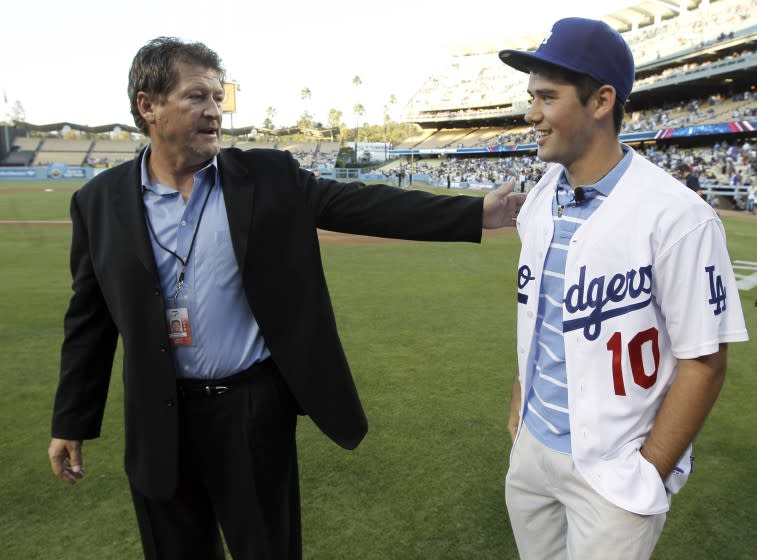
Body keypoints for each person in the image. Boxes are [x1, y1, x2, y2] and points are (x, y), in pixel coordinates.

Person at [47, 37, 524, 560]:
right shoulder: (97, 203)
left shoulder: (265, 177)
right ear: (149, 106)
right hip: (157, 422)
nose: (214, 111)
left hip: (251, 411)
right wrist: (71, 422)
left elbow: (359, 205)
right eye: (197, 97)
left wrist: (472, 215)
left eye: (217, 98)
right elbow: (89, 324)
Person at [499, 17, 748, 560]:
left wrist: (650, 470)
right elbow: (538, 315)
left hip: (616, 471)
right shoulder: (542, 199)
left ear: (601, 100)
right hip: (534, 450)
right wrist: (521, 402)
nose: (531, 114)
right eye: (530, 97)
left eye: (546, 96)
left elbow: (704, 360)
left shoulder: (680, 215)